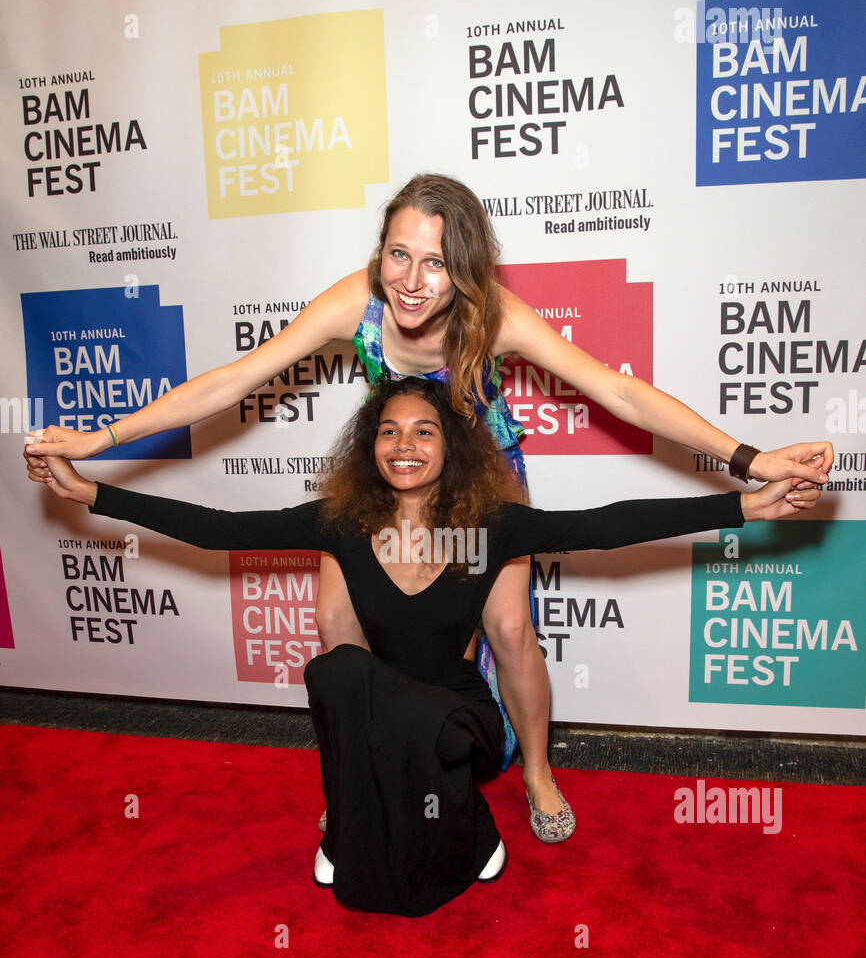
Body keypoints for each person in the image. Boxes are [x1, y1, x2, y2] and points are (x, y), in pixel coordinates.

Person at [24, 174, 834, 840]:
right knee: (336, 629)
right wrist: (107, 438)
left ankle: (539, 772)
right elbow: (235, 378)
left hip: (483, 484)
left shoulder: (497, 319)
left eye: (436, 263)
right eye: (398, 255)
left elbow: (617, 389)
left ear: (467, 268)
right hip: (398, 473)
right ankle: (357, 776)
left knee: (510, 628)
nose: (410, 281)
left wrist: (748, 459)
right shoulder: (357, 304)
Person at [28, 377, 824, 918]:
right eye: (388, 432)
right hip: (381, 710)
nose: (404, 446)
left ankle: (476, 832)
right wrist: (94, 492)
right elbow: (223, 532)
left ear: (453, 446)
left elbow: (607, 525)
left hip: (458, 722)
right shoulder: (336, 525)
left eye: (423, 432)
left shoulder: (491, 527)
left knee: (407, 719)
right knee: (337, 671)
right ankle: (348, 827)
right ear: (369, 447)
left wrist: (745, 502)